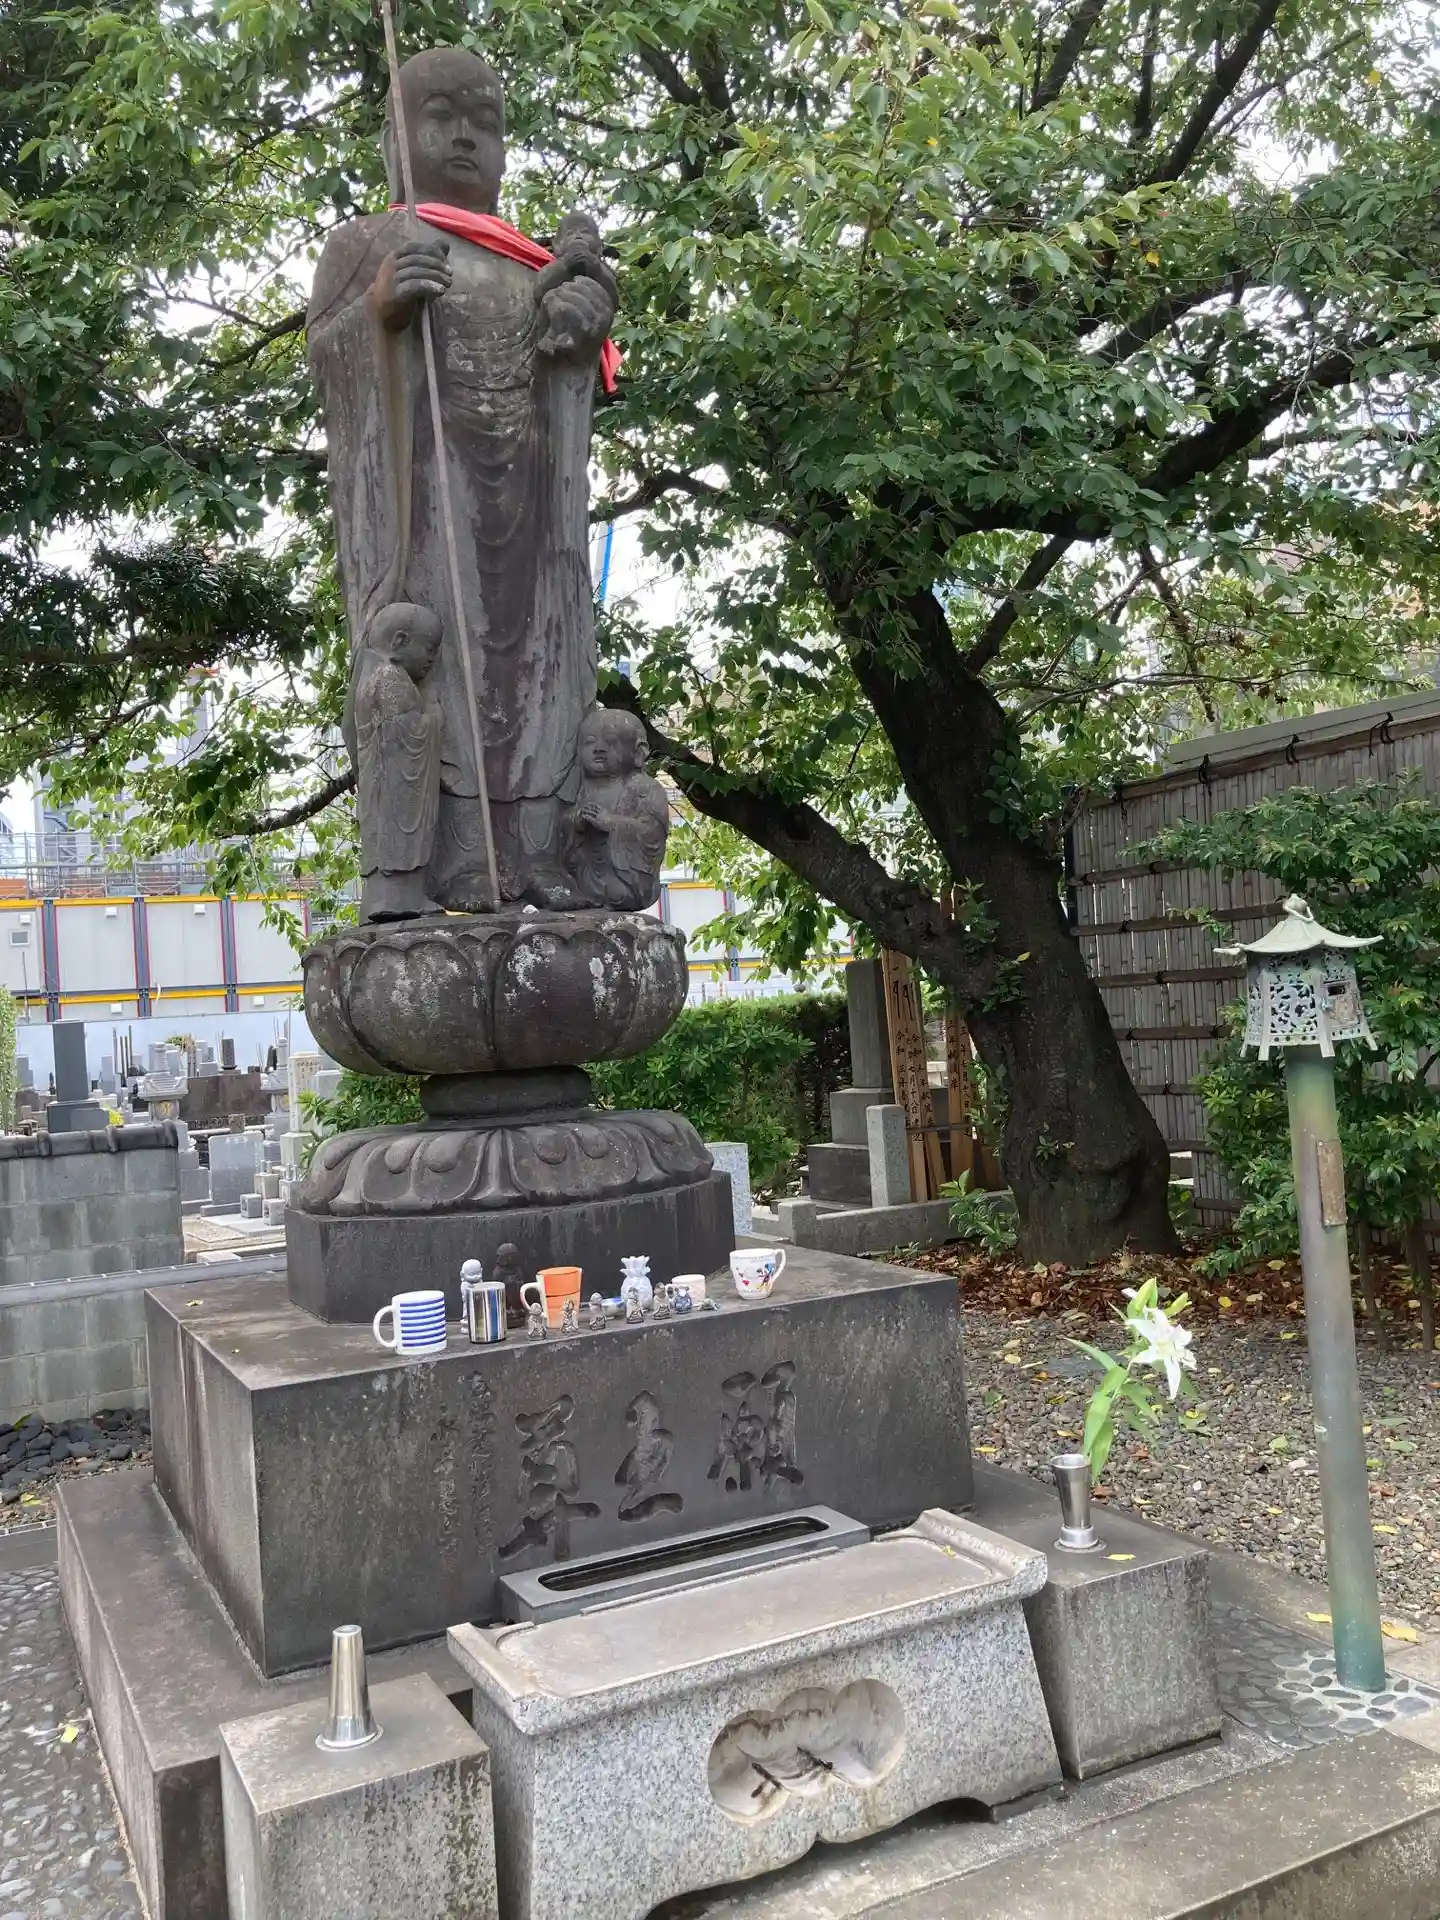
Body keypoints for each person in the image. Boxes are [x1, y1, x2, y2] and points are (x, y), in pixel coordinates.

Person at [309, 46, 618, 910]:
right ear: (395, 139)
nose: (463, 137)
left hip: (533, 510)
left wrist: (579, 332)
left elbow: (566, 375)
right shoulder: (368, 243)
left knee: (539, 677)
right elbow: (333, 364)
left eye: (485, 123)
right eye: (439, 117)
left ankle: (540, 854)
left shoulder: (527, 260)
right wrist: (379, 311)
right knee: (441, 673)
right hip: (426, 504)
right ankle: (445, 859)